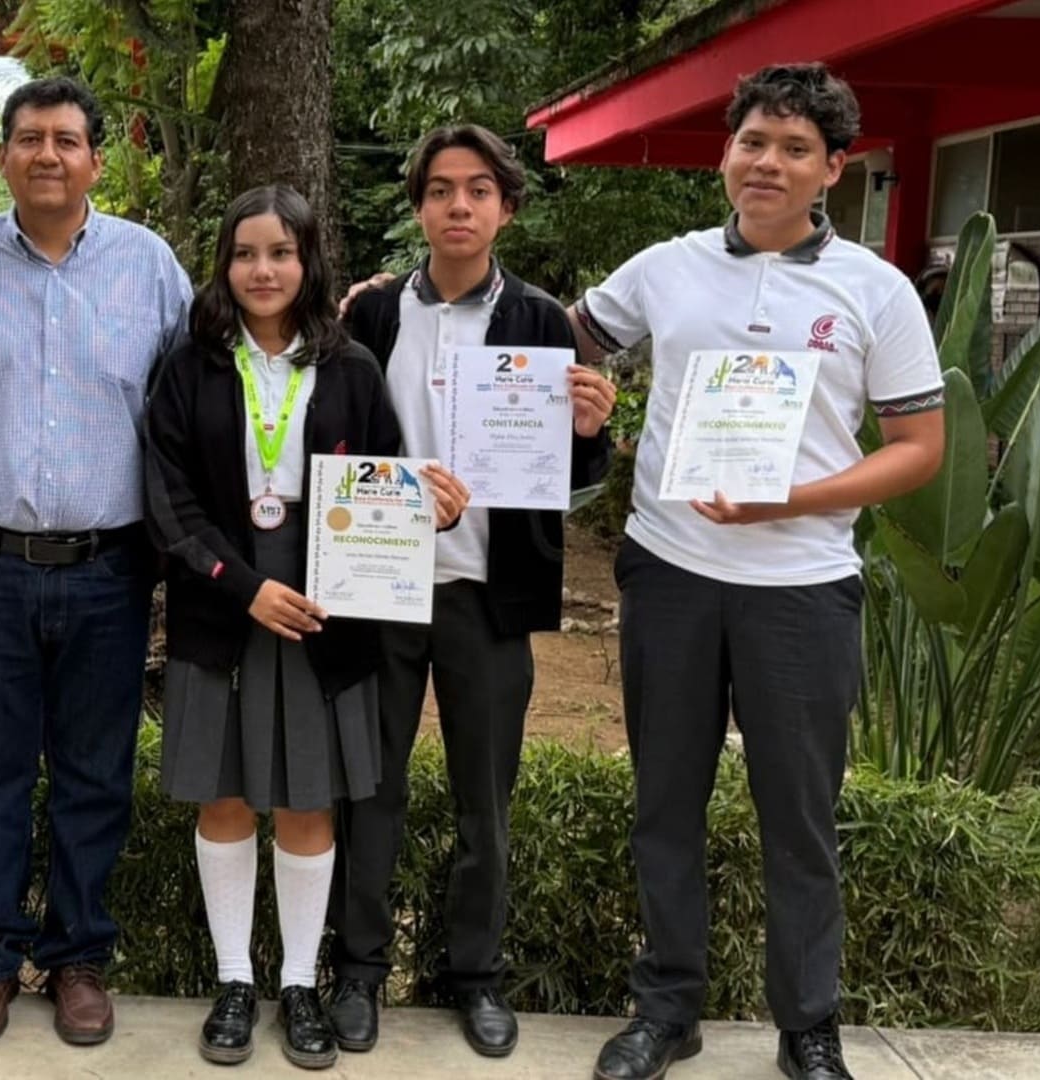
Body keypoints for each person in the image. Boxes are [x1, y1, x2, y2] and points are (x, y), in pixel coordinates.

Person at [569, 64, 944, 1080]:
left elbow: (919, 445)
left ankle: (807, 1024)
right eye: (752, 141)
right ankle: (668, 1009)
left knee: (800, 816)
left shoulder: (876, 290)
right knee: (666, 801)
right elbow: (568, 340)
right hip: (673, 571)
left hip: (804, 586)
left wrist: (796, 500)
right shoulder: (665, 268)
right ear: (724, 151)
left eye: (793, 148)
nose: (767, 163)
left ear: (835, 167)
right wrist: (406, 314)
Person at [145, 184, 469, 1070]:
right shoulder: (191, 365)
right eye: (246, 253)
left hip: (328, 608)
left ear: (308, 262)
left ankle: (296, 983)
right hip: (225, 601)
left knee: (306, 799)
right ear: (224, 263)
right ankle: (232, 982)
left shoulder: (352, 367)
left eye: (281, 253)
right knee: (223, 796)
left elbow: (384, 484)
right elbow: (169, 501)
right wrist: (243, 585)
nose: (262, 269)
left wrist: (426, 509)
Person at [0, 76, 193, 1046]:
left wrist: (175, 542)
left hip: (113, 569)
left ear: (96, 160)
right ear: (5, 157)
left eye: (68, 140)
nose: (49, 155)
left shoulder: (149, 266)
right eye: (30, 139)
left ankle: (77, 956)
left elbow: (192, 408)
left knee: (94, 770)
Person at [323, 123, 617, 1060]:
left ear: (507, 207)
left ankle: (475, 976)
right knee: (370, 789)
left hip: (489, 593)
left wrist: (587, 429)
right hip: (379, 585)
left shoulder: (543, 320)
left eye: (478, 190)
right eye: (441, 189)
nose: (459, 206)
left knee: (483, 797)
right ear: (418, 206)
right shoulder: (369, 315)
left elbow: (571, 482)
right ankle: (359, 971)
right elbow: (332, 442)